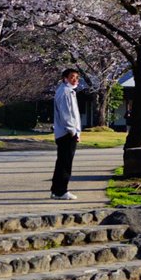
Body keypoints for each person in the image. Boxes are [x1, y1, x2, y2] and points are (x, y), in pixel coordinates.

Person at [51, 68, 82, 200]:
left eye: (76, 77)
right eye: (72, 77)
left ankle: (56, 190)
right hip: (66, 133)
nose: (75, 80)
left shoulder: (66, 91)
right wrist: (73, 131)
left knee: (61, 162)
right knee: (65, 163)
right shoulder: (65, 92)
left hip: (64, 132)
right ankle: (61, 191)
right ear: (65, 78)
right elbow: (66, 114)